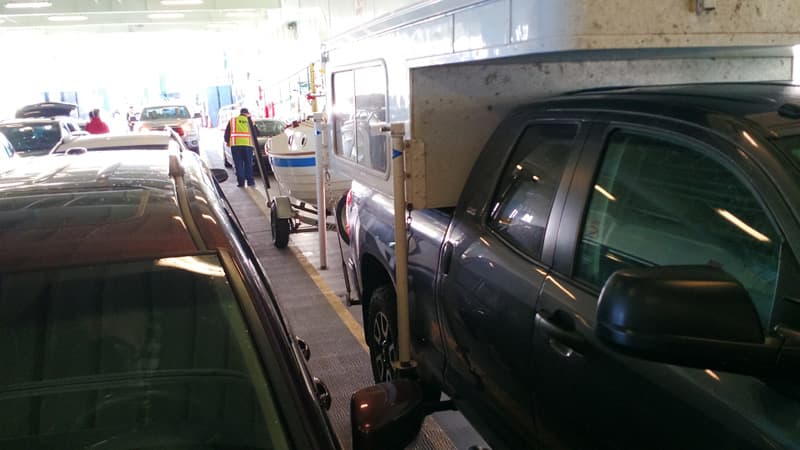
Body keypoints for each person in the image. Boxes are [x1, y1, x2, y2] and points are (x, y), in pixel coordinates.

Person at [223, 108, 259, 187]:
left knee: (238, 164)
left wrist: (227, 142)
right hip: (248, 146)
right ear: (247, 113)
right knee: (248, 164)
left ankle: (241, 182)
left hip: (235, 145)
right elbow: (256, 133)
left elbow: (226, 134)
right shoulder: (250, 121)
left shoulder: (233, 120)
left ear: (241, 113)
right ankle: (250, 182)